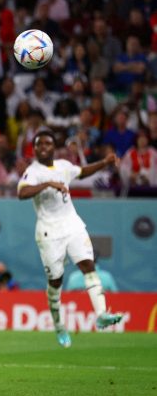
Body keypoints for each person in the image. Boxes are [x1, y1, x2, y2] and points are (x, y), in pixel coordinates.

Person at [17, 130, 123, 348]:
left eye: (48, 143)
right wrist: (48, 184)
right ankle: (58, 325)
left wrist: (105, 161)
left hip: (72, 225)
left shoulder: (64, 166)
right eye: (40, 144)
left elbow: (82, 172)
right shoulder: (33, 172)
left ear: (53, 147)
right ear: (35, 149)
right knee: (55, 281)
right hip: (48, 233)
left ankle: (102, 313)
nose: (44, 147)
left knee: (88, 265)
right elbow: (22, 193)